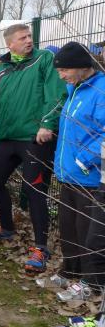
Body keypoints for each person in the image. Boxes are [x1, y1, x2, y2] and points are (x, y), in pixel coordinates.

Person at [0, 24, 67, 275]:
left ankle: (41, 248)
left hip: (34, 138)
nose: (29, 40)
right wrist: (0, 130)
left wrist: (47, 124)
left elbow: (56, 94)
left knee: (34, 190)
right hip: (8, 138)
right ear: (10, 44)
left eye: (30, 36)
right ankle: (7, 228)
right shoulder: (1, 70)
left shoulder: (44, 59)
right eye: (22, 38)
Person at [50, 42, 105, 301]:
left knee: (88, 232)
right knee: (68, 227)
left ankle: (90, 282)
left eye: (64, 70)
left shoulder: (100, 90)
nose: (61, 76)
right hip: (68, 173)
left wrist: (84, 160)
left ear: (82, 66)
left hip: (89, 176)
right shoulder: (74, 88)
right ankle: (70, 270)